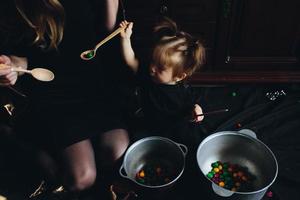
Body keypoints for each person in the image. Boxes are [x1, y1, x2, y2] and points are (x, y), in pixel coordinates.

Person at [0, 0, 130, 197]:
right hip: (51, 89)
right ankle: (26, 146)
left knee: (118, 153)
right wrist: (11, 66)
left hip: (91, 82)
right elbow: (21, 58)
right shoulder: (17, 6)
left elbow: (105, 29)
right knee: (82, 178)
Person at [119, 18, 206, 145]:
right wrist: (125, 39)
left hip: (174, 131)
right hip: (150, 124)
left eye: (160, 68)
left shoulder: (181, 93)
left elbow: (194, 106)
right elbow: (130, 61)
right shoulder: (148, 75)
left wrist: (197, 111)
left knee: (188, 143)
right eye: (153, 61)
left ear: (179, 76)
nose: (152, 68)